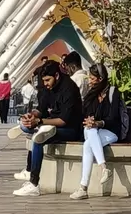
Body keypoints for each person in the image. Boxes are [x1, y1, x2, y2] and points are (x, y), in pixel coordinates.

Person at [13, 60, 84, 196]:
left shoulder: (69, 88)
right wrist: (32, 115)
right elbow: (41, 109)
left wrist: (40, 121)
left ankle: (34, 183)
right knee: (33, 129)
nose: (45, 84)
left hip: (70, 130)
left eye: (47, 80)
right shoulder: (48, 89)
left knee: (39, 138)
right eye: (43, 80)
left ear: (56, 76)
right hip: (50, 124)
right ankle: (26, 126)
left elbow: (63, 121)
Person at [69, 62, 127, 200]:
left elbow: (113, 118)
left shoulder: (113, 92)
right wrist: (90, 121)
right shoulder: (91, 95)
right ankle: (103, 168)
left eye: (92, 78)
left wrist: (98, 123)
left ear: (100, 79)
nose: (89, 81)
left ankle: (83, 188)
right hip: (92, 130)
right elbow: (85, 114)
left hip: (110, 132)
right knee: (90, 130)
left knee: (88, 144)